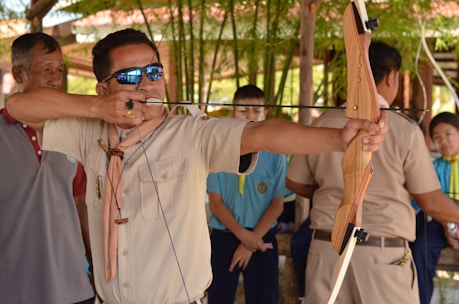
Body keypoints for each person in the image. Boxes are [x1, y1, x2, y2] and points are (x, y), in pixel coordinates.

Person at [6, 28, 387, 304]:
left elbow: (263, 134)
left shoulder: (191, 131)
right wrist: (93, 109)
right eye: (130, 77)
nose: (146, 86)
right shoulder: (89, 130)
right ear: (103, 88)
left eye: (153, 73)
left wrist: (338, 140)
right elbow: (19, 107)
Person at [286, 41, 459, 304]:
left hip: (326, 251)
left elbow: (295, 181)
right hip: (382, 258)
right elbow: (432, 202)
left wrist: (335, 193)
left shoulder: (321, 123)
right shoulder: (405, 130)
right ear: (391, 76)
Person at [0, 32, 94, 303]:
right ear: (19, 74)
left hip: (74, 288)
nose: (55, 78)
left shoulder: (74, 132)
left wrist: (94, 266)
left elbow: (81, 204)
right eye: (46, 70)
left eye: (59, 70)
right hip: (12, 290)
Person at [206, 84, 288, 304]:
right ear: (233, 112)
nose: (250, 116)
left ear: (266, 113)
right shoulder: (219, 150)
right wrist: (246, 238)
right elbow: (215, 202)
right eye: (243, 111)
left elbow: (277, 204)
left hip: (262, 236)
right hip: (226, 236)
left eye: (256, 111)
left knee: (264, 298)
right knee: (218, 298)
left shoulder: (276, 154)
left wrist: (251, 241)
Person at [410, 111, 459, 304]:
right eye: (437, 137)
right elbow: (426, 201)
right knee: (421, 248)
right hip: (442, 223)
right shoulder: (433, 168)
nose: (443, 141)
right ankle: (421, 300)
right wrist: (448, 225)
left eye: (449, 134)